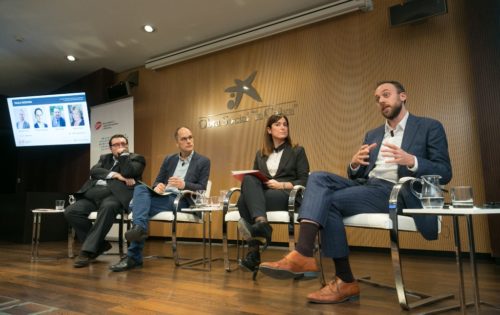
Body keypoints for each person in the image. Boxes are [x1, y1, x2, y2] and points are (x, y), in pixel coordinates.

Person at [259, 81, 452, 304]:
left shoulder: (429, 126)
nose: (381, 101)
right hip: (368, 186)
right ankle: (310, 259)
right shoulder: (373, 134)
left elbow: (445, 171)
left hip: (397, 191)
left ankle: (334, 274)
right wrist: (353, 164)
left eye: (386, 95)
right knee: (317, 177)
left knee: (327, 201)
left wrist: (412, 161)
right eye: (377, 98)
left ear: (403, 96)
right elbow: (358, 174)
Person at [109, 126, 211, 272]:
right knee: (140, 188)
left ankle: (134, 254)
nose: (189, 141)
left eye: (190, 137)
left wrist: (184, 184)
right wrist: (158, 187)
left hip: (182, 199)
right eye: (184, 139)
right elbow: (157, 181)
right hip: (163, 196)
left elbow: (202, 188)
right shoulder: (169, 159)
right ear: (177, 143)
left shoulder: (203, 161)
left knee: (138, 207)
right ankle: (138, 233)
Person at [236, 114, 309, 274]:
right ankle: (261, 225)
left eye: (285, 124)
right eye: (278, 124)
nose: (283, 127)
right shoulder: (260, 154)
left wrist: (281, 184)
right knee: (248, 181)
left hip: (287, 194)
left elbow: (304, 180)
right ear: (269, 130)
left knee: (243, 202)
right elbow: (255, 179)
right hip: (266, 195)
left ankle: (254, 252)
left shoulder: (297, 150)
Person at [65, 134, 146, 268]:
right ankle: (99, 245)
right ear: (110, 148)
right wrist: (116, 175)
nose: (121, 147)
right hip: (94, 195)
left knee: (108, 207)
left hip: (115, 196)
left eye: (123, 144)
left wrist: (123, 157)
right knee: (71, 211)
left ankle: (87, 251)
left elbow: (129, 173)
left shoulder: (137, 158)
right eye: (117, 145)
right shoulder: (104, 158)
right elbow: (94, 171)